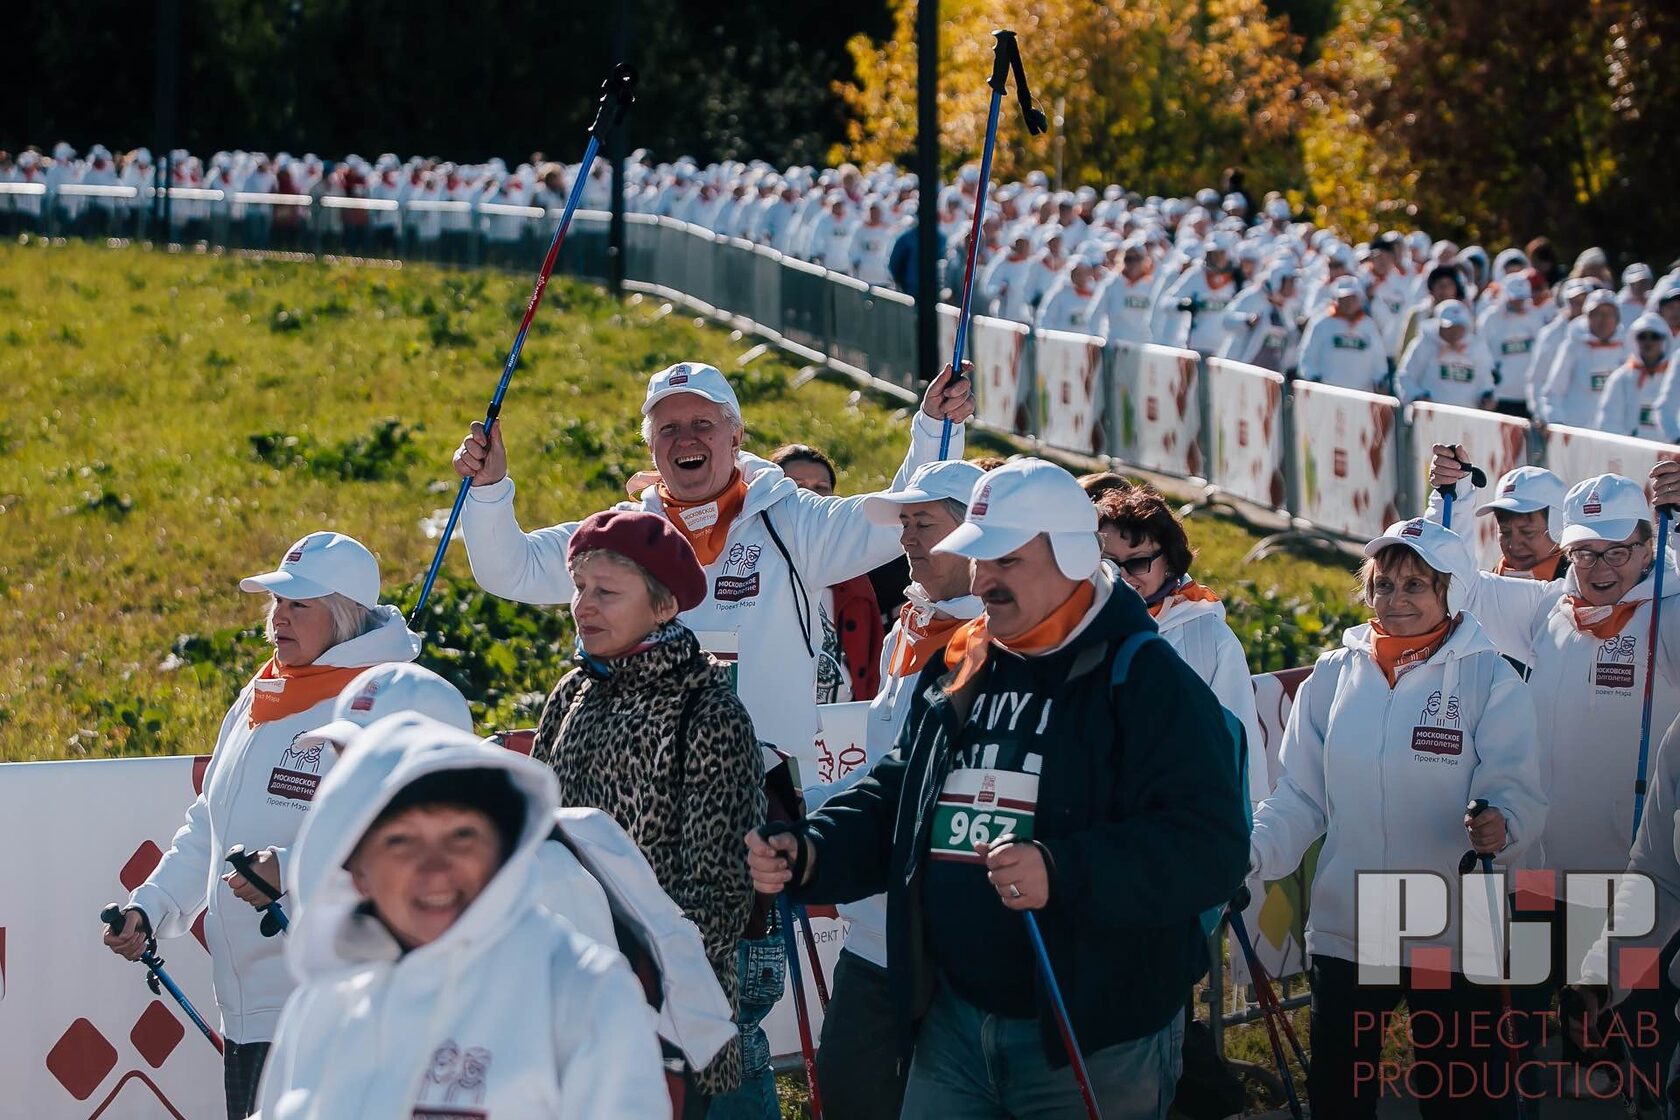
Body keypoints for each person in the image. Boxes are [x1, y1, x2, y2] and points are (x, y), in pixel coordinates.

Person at [746, 458, 1249, 1120]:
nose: (984, 580)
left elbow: (1210, 845)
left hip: (1091, 1037)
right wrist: (811, 851)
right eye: (976, 559)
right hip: (952, 1020)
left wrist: (1064, 869)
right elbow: (901, 794)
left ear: (1071, 556)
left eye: (1005, 559)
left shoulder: (1146, 676)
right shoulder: (962, 667)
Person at [101, 531, 422, 1120]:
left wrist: (289, 868)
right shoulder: (262, 690)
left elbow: (408, 842)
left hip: (341, 1007)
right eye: (277, 602)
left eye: (300, 605)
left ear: (346, 617)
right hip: (249, 1011)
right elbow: (208, 826)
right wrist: (149, 907)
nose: (280, 617)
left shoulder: (389, 700)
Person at [1248, 517, 1546, 1117]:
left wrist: (1501, 823)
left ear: (1450, 592)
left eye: (1416, 586)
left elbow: (1517, 792)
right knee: (1341, 1095)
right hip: (1352, 924)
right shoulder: (1334, 673)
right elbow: (1301, 797)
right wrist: (1248, 853)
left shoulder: (1491, 676)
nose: (1395, 599)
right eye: (1384, 584)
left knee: (1458, 1099)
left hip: (1455, 929)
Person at [254, 714, 669, 1117]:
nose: (435, 868)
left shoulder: (582, 993)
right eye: (401, 841)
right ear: (356, 870)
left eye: (462, 836)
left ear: (503, 850)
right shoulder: (326, 1004)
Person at [528, 509, 764, 1109]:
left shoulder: (707, 712)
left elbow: (720, 892)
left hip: (663, 1014)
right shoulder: (571, 692)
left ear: (662, 608)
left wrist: (640, 983)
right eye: (580, 588)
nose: (584, 605)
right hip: (560, 989)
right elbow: (535, 832)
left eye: (606, 592)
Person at [803, 458, 986, 1119]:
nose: (906, 538)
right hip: (875, 930)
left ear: (975, 537)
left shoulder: (1003, 643)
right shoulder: (909, 623)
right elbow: (888, 776)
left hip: (953, 939)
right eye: (904, 523)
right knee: (850, 1095)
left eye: (924, 524)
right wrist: (798, 809)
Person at [1093, 486, 1266, 806]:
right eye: (1108, 563)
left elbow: (1241, 760)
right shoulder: (1073, 631)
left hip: (1175, 825)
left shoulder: (1210, 640)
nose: (1120, 576)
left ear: (1171, 564)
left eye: (1138, 562)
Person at [768, 443, 885, 702]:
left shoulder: (856, 576)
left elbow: (871, 659)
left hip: (844, 732)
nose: (811, 499)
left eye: (821, 489)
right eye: (797, 487)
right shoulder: (752, 571)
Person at [1428, 459, 1569, 582]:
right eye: (1505, 531)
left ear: (1559, 529)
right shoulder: (1491, 581)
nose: (1514, 545)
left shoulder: (1579, 590)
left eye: (1527, 532)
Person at [1539, 289, 1627, 429]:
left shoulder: (1627, 348)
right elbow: (1553, 392)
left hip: (1616, 436)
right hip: (1577, 432)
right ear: (1587, 317)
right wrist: (1557, 425)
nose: (1603, 320)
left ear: (1617, 318)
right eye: (1597, 314)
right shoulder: (1573, 346)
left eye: (1609, 314)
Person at [1394, 299, 1496, 409]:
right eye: (1450, 327)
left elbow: (1485, 381)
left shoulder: (1477, 347)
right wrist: (1418, 397)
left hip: (1467, 418)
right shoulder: (1424, 345)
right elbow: (1405, 377)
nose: (1455, 332)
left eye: (1459, 327)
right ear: (1438, 325)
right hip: (1430, 417)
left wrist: (1486, 398)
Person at [1297, 276, 1389, 392]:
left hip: (1361, 396)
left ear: (1359, 298)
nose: (1348, 302)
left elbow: (1379, 357)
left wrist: (1380, 380)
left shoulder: (1368, 325)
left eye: (1352, 298)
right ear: (1336, 299)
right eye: (1344, 298)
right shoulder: (1321, 323)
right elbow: (1307, 356)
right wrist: (1313, 379)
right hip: (1328, 394)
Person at [1476, 272, 1546, 418]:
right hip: (1500, 395)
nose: (1518, 303)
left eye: (1522, 298)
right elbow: (1481, 353)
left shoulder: (1536, 316)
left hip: (1528, 395)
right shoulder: (1490, 318)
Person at [1596, 313, 1675, 441]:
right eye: (1642, 337)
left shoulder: (1674, 378)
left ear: (1664, 340)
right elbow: (1608, 422)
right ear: (1634, 340)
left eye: (1654, 337)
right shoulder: (1620, 378)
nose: (1648, 342)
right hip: (1630, 454)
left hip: (1669, 456)